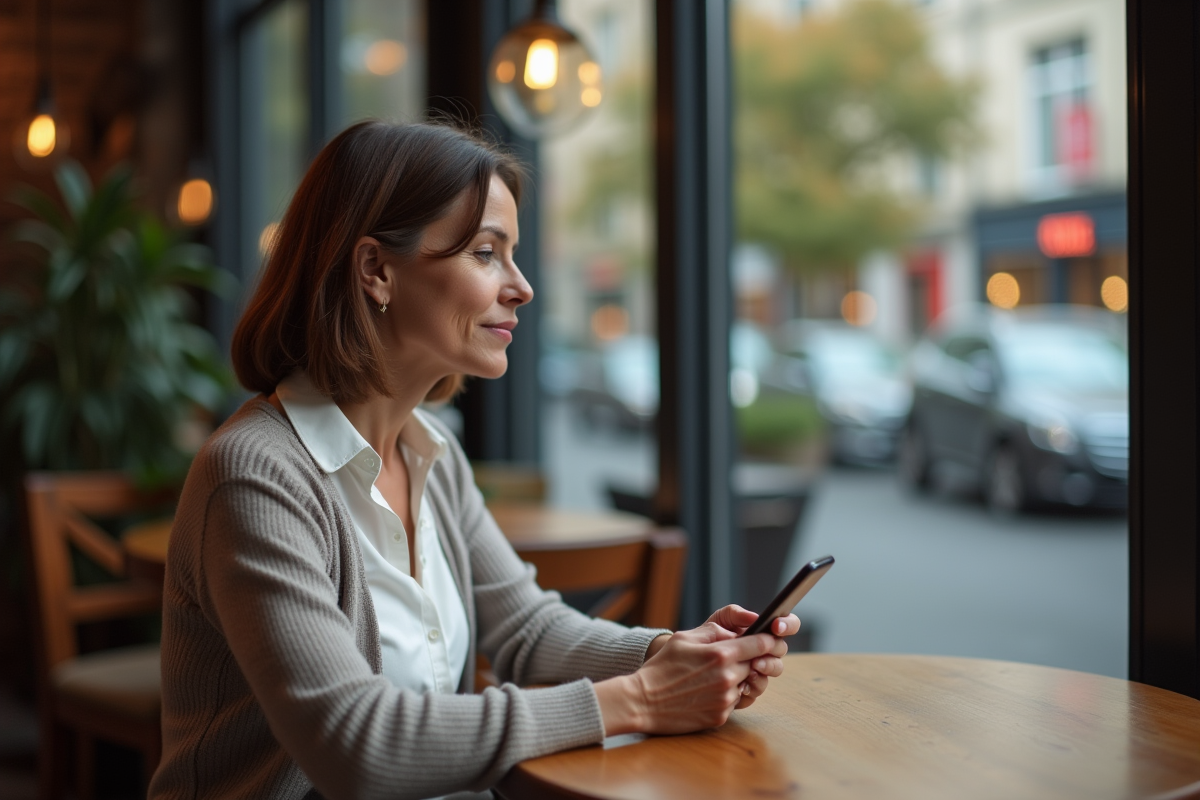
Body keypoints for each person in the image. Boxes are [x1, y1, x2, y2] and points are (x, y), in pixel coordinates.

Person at [149, 120, 800, 800]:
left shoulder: (431, 451)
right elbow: (355, 743)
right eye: (487, 254)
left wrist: (672, 653)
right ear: (376, 270)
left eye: (512, 255)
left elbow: (526, 628)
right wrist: (640, 699)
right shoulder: (254, 474)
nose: (521, 287)